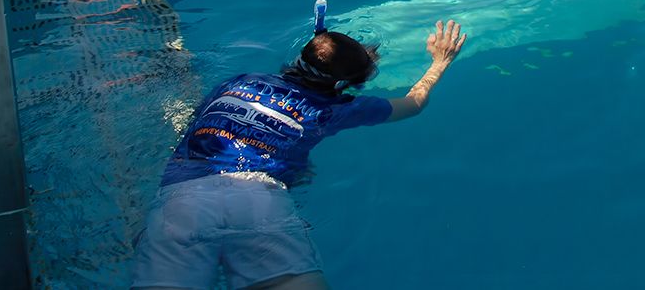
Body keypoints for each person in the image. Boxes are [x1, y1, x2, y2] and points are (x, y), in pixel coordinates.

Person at [131, 16, 468, 290]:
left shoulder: (240, 81)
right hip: (259, 199)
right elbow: (413, 105)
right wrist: (440, 62)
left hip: (184, 199)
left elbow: (197, 128)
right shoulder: (331, 110)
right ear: (340, 86)